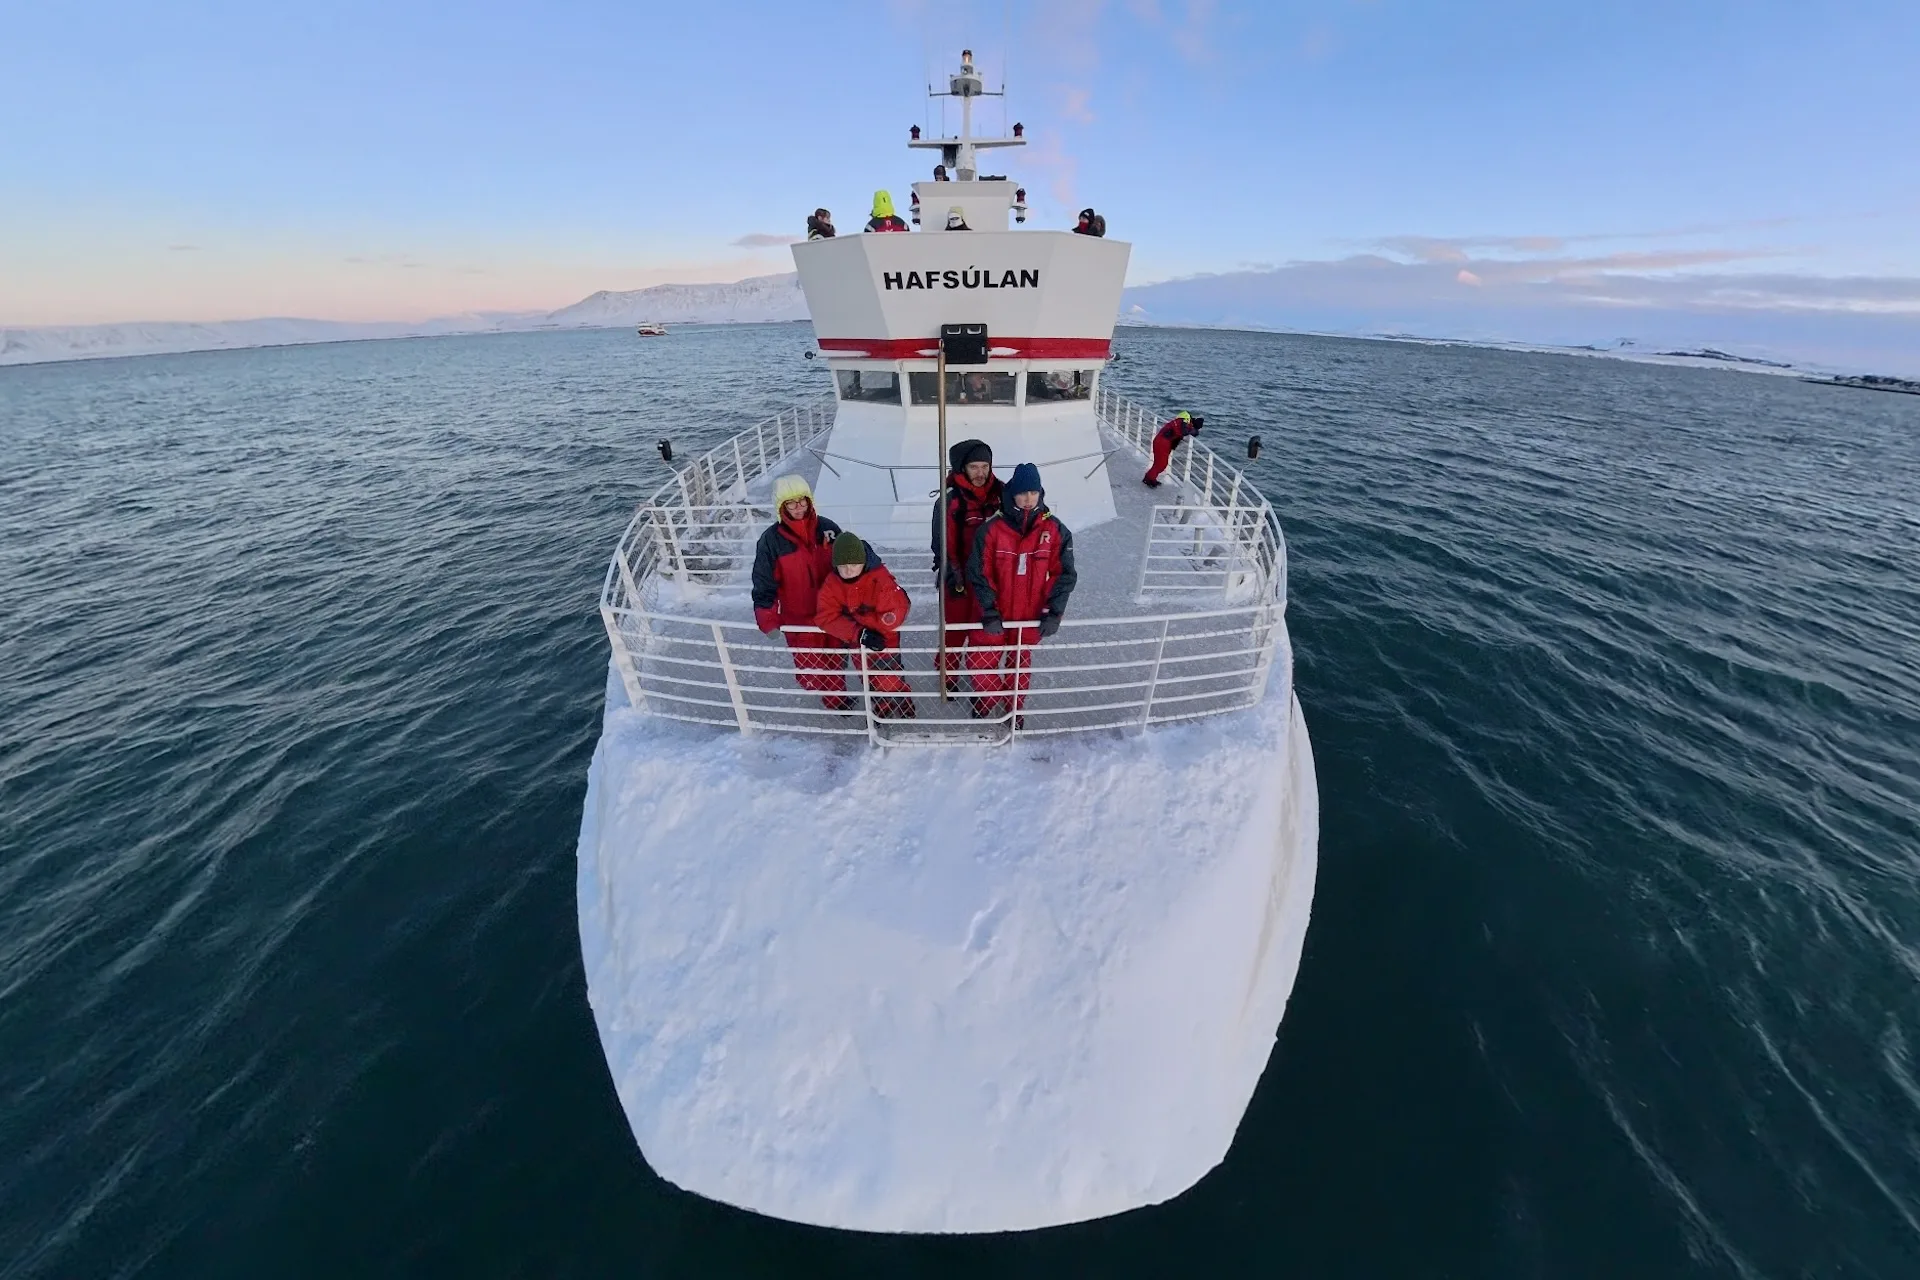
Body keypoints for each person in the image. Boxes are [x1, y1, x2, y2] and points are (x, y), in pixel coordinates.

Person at [965, 462, 1077, 725]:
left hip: (1029, 616)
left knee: (1019, 668)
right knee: (980, 663)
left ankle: (1014, 709)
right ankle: (988, 700)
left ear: (1041, 494)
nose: (1028, 499)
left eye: (1034, 493)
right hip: (994, 614)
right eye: (1023, 493)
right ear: (1012, 493)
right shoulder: (991, 530)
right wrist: (988, 609)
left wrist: (1054, 612)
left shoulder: (1054, 531)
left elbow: (1064, 575)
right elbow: (979, 573)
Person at [751, 475, 849, 710]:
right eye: (791, 502)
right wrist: (768, 619)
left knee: (836, 658)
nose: (798, 507)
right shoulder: (771, 541)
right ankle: (824, 693)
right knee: (811, 666)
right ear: (781, 506)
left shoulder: (828, 529)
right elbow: (764, 583)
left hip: (832, 612)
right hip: (800, 618)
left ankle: (836, 700)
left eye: (802, 500)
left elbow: (849, 566)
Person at [814, 532, 916, 719]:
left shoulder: (879, 579)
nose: (849, 570)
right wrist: (858, 633)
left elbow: (895, 611)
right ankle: (881, 710)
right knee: (868, 678)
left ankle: (904, 703)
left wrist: (872, 629)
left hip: (885, 638)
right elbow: (825, 617)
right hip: (858, 640)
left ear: (863, 562)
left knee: (889, 679)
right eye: (843, 566)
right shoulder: (832, 583)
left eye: (854, 565)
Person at [930, 439, 1003, 693]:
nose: (981, 473)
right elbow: (942, 544)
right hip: (959, 579)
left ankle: (981, 685)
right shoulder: (949, 501)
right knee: (954, 632)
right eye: (974, 467)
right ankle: (946, 677)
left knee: (982, 633)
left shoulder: (1001, 494)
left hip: (990, 580)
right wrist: (954, 576)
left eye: (985, 466)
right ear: (962, 468)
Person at [1143, 410, 1204, 487]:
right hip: (1162, 442)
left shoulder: (1184, 419)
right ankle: (1149, 479)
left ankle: (1150, 478)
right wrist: (1195, 431)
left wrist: (1194, 431)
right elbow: (1184, 431)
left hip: (1162, 441)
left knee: (1159, 463)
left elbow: (1183, 431)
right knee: (1161, 464)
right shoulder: (1185, 421)